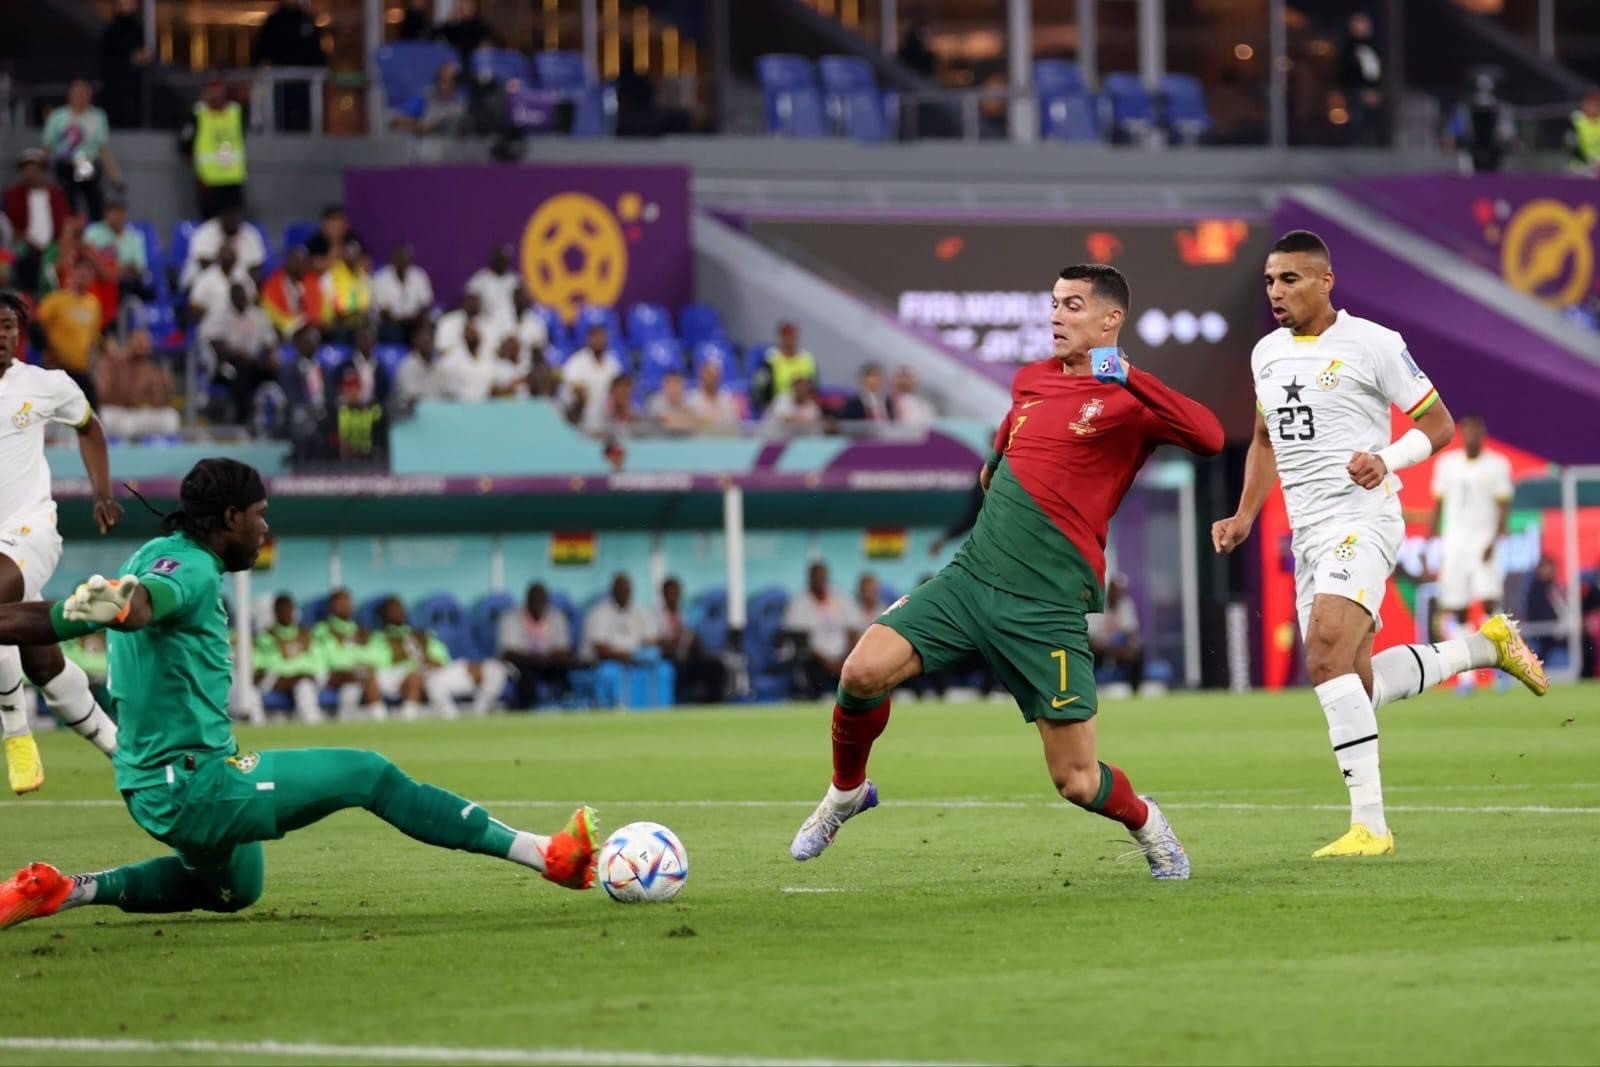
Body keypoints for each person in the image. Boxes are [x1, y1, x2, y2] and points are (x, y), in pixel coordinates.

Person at [0, 458, 599, 930]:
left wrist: (83, 612)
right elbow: (146, 604)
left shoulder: (151, 553)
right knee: (369, 774)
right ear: (230, 517)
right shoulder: (194, 570)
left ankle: (65, 888)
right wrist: (122, 610)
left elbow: (87, 613)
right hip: (193, 785)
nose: (266, 528)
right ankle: (548, 854)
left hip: (155, 781)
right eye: (260, 514)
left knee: (235, 890)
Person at [791, 263, 1225, 881]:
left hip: (1045, 606)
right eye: (1053, 304)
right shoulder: (1032, 381)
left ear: (1111, 319)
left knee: (1076, 781)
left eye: (1073, 305)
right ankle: (846, 792)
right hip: (970, 580)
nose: (1056, 316)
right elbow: (996, 464)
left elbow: (1209, 436)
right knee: (861, 672)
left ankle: (1148, 824)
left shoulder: (1133, 400)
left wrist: (1126, 373)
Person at [1211, 230, 1546, 859]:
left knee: (1325, 655)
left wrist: (1386, 460)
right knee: (1352, 683)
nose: (1276, 292)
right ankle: (1485, 645)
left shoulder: (1374, 343)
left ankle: (1371, 827)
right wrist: (1245, 514)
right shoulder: (1265, 354)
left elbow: (1438, 424)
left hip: (1361, 519)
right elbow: (1261, 439)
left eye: (1290, 279)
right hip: (1307, 531)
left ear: (1325, 281)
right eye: (1269, 281)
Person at [0, 291, 124, 796]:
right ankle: (124, 751)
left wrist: (101, 493)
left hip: (30, 530)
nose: (3, 335)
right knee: (42, 660)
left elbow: (89, 427)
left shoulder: (44, 384)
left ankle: (15, 731)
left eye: (9, 326)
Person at [1429, 413, 1513, 643]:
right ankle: (1466, 669)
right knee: (1457, 604)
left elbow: (1503, 506)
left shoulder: (1498, 465)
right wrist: (1430, 541)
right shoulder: (1447, 465)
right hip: (1455, 541)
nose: (1472, 435)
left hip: (1484, 540)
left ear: (1483, 434)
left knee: (1489, 599)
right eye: (1467, 430)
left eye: (1476, 430)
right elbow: (1439, 504)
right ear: (1462, 433)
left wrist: (1495, 540)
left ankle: (1498, 654)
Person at [372, 596, 507, 718]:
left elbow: (442, 660)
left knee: (496, 668)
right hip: (408, 676)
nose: (399, 612)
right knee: (430, 681)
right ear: (383, 615)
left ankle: (479, 711)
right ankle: (447, 717)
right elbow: (381, 666)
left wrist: (429, 657)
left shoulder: (422, 635)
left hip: (439, 671)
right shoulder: (378, 639)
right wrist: (403, 654)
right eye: (393, 609)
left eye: (400, 607)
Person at [43, 81, 120, 222]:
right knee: (67, 204)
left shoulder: (97, 116)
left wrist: (114, 174)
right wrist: (42, 168)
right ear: (69, 95)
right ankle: (70, 236)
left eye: (85, 94)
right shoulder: (58, 116)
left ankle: (95, 236)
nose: (81, 97)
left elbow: (102, 148)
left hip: (86, 163)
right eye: (78, 94)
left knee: (94, 202)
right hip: (65, 164)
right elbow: (48, 146)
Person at [781, 562, 854, 700]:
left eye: (823, 578)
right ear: (810, 579)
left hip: (844, 656)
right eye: (816, 578)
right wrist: (827, 661)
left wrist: (847, 655)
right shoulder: (799, 603)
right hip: (817, 659)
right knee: (808, 662)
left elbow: (853, 629)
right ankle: (819, 697)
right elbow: (800, 641)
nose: (820, 582)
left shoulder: (841, 598)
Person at [309, 587, 384, 720]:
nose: (346, 606)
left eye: (348, 602)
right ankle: (380, 718)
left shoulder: (361, 631)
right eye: (341, 603)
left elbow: (376, 658)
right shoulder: (322, 630)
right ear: (332, 607)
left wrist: (359, 663)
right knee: (361, 675)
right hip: (327, 674)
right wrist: (356, 662)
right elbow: (333, 660)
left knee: (358, 680)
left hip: (356, 675)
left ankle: (348, 718)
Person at [252, 0, 326, 133]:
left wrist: (324, 70)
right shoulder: (275, 21)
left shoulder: (305, 21)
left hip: (305, 83)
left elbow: (315, 50)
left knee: (304, 121)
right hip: (282, 84)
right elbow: (260, 49)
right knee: (283, 120)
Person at [35, 261, 104, 403]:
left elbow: (94, 337)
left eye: (88, 272)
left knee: (91, 414)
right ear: (72, 273)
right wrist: (47, 350)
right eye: (80, 271)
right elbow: (35, 326)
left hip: (81, 370)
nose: (84, 275)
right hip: (57, 369)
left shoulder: (93, 304)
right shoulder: (55, 301)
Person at [496, 582, 574, 709]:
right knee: (526, 676)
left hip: (549, 662)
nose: (538, 604)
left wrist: (547, 658)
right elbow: (507, 652)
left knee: (565, 669)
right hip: (522, 663)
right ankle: (524, 710)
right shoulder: (511, 617)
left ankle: (567, 706)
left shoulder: (556, 617)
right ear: (527, 600)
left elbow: (564, 650)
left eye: (542, 600)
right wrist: (533, 658)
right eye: (534, 600)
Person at [3, 149, 70, 294]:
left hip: (52, 248)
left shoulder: (56, 195)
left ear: (43, 171)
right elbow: (8, 226)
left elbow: (65, 224)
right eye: (27, 169)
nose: (31, 173)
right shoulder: (12, 195)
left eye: (35, 169)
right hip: (23, 246)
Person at [93, 328, 179, 438]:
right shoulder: (111, 361)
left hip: (134, 415)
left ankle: (158, 450)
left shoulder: (149, 369)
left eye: (145, 342)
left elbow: (157, 403)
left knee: (170, 417)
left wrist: (165, 388)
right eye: (138, 341)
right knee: (104, 417)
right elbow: (101, 396)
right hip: (114, 412)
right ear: (129, 342)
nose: (142, 345)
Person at [182, 76, 248, 218]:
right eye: (210, 90)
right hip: (208, 184)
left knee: (233, 227)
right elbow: (185, 146)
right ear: (204, 93)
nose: (214, 94)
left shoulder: (235, 112)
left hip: (233, 183)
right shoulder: (197, 114)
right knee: (210, 229)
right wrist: (199, 169)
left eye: (217, 89)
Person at [254, 594, 325, 724]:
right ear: (275, 613)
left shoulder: (306, 635)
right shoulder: (266, 637)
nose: (286, 613)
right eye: (282, 610)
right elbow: (261, 669)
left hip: (302, 679)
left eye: (289, 609)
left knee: (304, 685)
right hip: (274, 680)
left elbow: (317, 666)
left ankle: (312, 722)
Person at [655, 577, 726, 705]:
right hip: (668, 659)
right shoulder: (655, 616)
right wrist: (674, 640)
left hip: (688, 657)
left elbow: (694, 638)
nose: (673, 596)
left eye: (676, 592)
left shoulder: (687, 614)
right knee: (674, 669)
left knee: (716, 667)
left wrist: (692, 641)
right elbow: (658, 642)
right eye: (670, 593)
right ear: (663, 594)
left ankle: (714, 706)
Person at [84, 194, 152, 303]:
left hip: (126, 284)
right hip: (99, 281)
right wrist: (117, 268)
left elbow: (138, 268)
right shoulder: (93, 232)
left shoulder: (134, 237)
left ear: (125, 212)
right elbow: (88, 259)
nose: (115, 214)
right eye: (111, 210)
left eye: (119, 210)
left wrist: (112, 269)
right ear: (105, 213)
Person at [180, 206, 266, 292]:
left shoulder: (250, 233)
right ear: (222, 216)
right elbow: (204, 266)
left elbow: (256, 267)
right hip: (204, 283)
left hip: (238, 285)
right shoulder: (205, 232)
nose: (232, 219)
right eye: (229, 216)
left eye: (235, 216)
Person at [559, 324, 624, 433]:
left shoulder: (613, 363)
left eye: (602, 337)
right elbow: (573, 387)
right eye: (595, 338)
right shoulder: (577, 362)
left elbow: (619, 388)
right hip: (580, 420)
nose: (599, 341)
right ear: (588, 339)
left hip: (606, 419)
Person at [582, 574, 657, 665]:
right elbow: (599, 649)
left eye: (626, 590)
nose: (623, 592)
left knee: (663, 668)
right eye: (619, 589)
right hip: (606, 663)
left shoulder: (640, 611)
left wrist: (638, 654)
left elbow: (651, 640)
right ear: (613, 591)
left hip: (636, 663)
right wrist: (626, 656)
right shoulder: (598, 613)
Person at [101, 0, 153, 129]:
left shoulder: (138, 31)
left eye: (131, 2)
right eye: (125, 2)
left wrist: (145, 59)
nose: (129, 5)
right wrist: (131, 60)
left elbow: (147, 61)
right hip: (115, 93)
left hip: (137, 92)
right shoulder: (110, 32)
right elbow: (106, 63)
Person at [1088, 573, 1144, 693]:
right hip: (1099, 649)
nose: (1118, 593)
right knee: (1089, 654)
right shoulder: (1097, 604)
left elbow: (1130, 632)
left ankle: (1135, 690)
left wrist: (1130, 647)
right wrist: (1111, 650)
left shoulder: (1126, 604)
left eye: (1121, 590)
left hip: (1119, 649)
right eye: (1116, 589)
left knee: (1138, 652)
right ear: (1110, 589)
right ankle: (1090, 692)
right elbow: (1091, 636)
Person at [372, 241, 434, 345]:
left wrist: (417, 318)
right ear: (393, 258)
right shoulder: (381, 279)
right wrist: (402, 320)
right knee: (391, 331)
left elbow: (426, 303)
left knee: (426, 328)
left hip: (414, 322)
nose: (402, 260)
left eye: (405, 257)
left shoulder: (419, 275)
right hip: (392, 323)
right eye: (399, 257)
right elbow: (383, 312)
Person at [1338, 13, 1384, 147]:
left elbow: (1374, 69)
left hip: (1370, 89)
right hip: (1355, 89)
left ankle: (1371, 143)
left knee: (1371, 119)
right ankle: (1356, 144)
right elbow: (1349, 71)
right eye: (1358, 24)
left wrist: (1374, 89)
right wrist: (1362, 89)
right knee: (1356, 118)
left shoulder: (1372, 45)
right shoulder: (1349, 46)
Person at [751, 321, 817, 412]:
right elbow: (760, 388)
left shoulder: (807, 359)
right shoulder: (770, 359)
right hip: (777, 407)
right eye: (786, 337)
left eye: (792, 337)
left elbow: (814, 388)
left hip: (803, 406)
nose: (789, 341)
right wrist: (768, 405)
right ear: (780, 338)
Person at [318, 237, 373, 343]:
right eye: (349, 251)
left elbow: (367, 304)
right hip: (337, 323)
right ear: (343, 253)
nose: (352, 255)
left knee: (368, 332)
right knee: (341, 332)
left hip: (359, 323)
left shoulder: (365, 278)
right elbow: (333, 307)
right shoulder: (330, 277)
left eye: (356, 252)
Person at [260, 245, 323, 336]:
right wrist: (295, 327)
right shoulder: (272, 285)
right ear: (287, 261)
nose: (300, 264)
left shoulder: (312, 281)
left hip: (310, 331)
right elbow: (274, 316)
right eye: (296, 261)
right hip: (284, 332)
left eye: (303, 261)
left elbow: (317, 313)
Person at [390, 320, 449, 411]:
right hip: (412, 414)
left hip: (438, 413)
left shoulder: (440, 366)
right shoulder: (407, 366)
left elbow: (446, 394)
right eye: (423, 337)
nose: (427, 340)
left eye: (430, 337)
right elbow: (413, 398)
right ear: (415, 341)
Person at [1523, 556, 1566, 665]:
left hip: (1561, 634)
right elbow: (1538, 616)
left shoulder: (1556, 588)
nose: (1551, 570)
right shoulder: (1535, 592)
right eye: (1546, 567)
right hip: (1544, 636)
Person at [465, 245, 520, 331]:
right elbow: (470, 300)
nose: (501, 262)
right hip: (486, 324)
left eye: (503, 260)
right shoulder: (481, 279)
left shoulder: (514, 280)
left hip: (509, 324)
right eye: (499, 259)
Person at [760, 374, 825, 436]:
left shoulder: (812, 406)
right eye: (799, 388)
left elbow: (815, 423)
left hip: (797, 441)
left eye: (804, 389)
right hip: (772, 437)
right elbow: (783, 418)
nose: (801, 391)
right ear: (793, 388)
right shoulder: (782, 399)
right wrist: (800, 420)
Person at [1568, 88, 1600, 177]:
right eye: (1590, 104)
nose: (1594, 107)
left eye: (1597, 105)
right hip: (1581, 165)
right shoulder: (1576, 121)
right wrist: (1590, 162)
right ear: (1584, 105)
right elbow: (1571, 146)